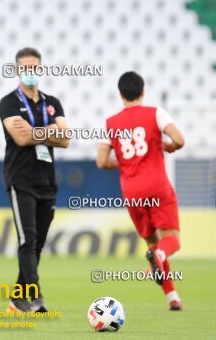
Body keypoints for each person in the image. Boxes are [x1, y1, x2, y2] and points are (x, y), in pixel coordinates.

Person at [97, 71, 184, 311]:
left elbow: (102, 161)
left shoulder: (110, 123)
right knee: (172, 240)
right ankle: (160, 257)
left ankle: (172, 297)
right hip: (157, 185)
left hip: (132, 190)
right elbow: (180, 139)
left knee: (152, 244)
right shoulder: (156, 113)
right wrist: (169, 146)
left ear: (121, 94)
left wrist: (125, 162)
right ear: (143, 91)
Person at [0, 47, 69, 313]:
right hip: (21, 180)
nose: (30, 72)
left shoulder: (53, 102)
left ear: (41, 69)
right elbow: (21, 138)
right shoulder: (8, 102)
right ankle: (36, 297)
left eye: (35, 67)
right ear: (17, 70)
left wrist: (37, 132)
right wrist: (50, 130)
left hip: (47, 180)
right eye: (25, 67)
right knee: (27, 240)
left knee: (37, 243)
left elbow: (66, 139)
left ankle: (18, 298)